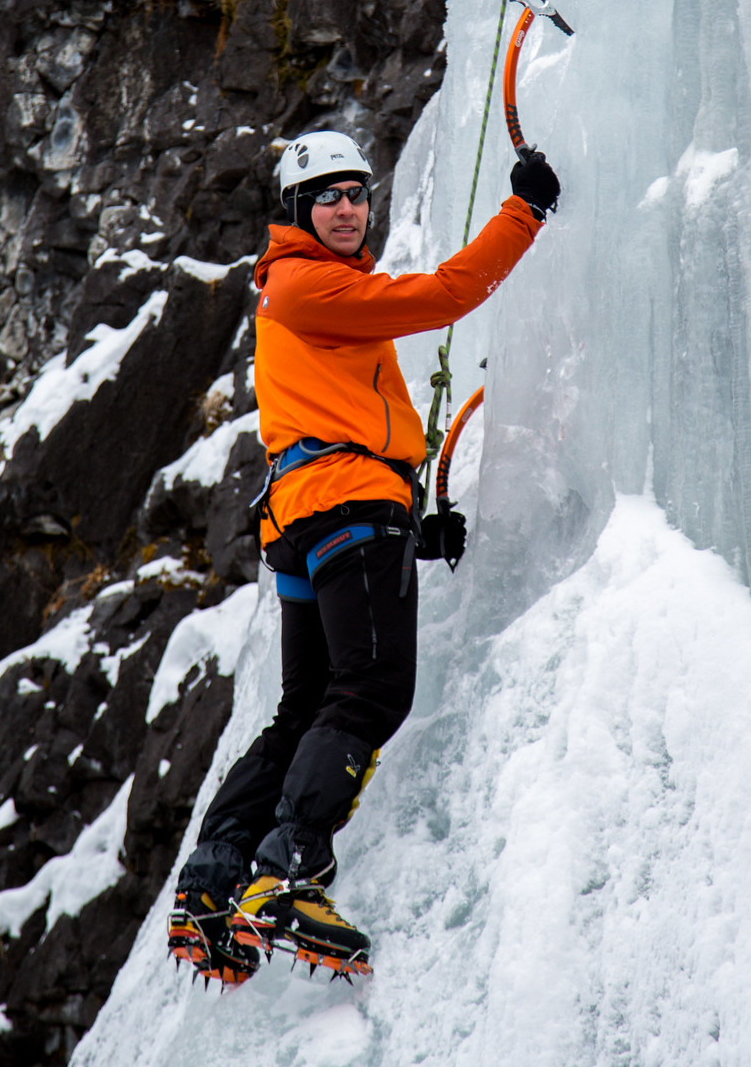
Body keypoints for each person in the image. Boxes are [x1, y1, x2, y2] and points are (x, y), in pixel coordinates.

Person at [168, 127, 560, 981]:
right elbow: (445, 295)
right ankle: (290, 867)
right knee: (370, 689)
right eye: (328, 197)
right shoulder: (307, 285)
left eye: (356, 194)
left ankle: (212, 882)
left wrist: (407, 528)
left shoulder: (295, 291)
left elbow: (334, 417)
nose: (347, 209)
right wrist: (522, 212)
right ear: (297, 211)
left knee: (305, 704)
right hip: (344, 502)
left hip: (311, 515)